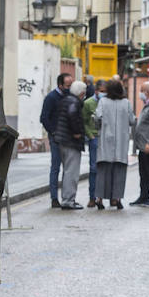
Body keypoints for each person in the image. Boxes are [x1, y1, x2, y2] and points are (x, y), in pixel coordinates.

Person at [93, 79, 135, 209]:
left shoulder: (103, 102)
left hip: (106, 141)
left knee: (102, 172)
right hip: (121, 143)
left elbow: (97, 118)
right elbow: (132, 121)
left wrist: (98, 125)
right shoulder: (126, 103)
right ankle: (117, 199)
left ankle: (99, 199)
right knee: (119, 171)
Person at [40, 73, 74, 208]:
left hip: (68, 138)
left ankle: (67, 197)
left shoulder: (69, 96)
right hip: (56, 139)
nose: (70, 87)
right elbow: (44, 117)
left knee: (68, 169)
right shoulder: (51, 98)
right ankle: (54, 198)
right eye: (67, 85)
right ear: (60, 85)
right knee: (55, 168)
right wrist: (53, 132)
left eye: (71, 85)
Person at [56, 80, 87, 210]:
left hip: (62, 140)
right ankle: (68, 200)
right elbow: (73, 115)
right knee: (71, 172)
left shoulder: (66, 99)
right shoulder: (74, 103)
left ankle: (66, 198)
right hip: (70, 142)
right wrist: (77, 132)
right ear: (81, 93)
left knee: (67, 170)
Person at [83, 80, 107, 207]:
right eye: (102, 91)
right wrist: (90, 135)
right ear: (96, 91)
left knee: (105, 168)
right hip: (94, 138)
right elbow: (84, 121)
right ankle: (92, 197)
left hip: (106, 139)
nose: (104, 94)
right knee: (93, 169)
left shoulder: (108, 103)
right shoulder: (88, 103)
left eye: (105, 91)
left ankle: (104, 197)